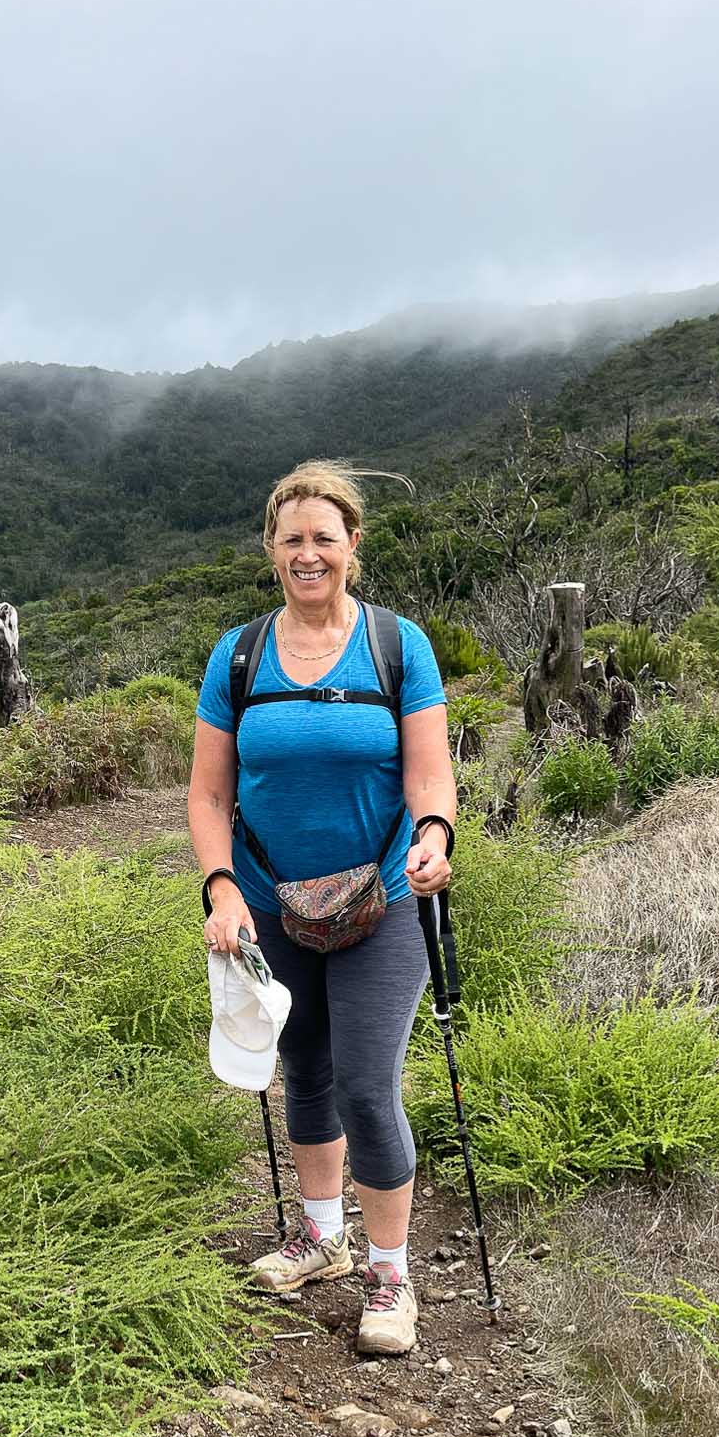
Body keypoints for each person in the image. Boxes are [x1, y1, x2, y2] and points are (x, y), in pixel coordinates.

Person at [188, 461, 455, 1356]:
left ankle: (390, 1272)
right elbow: (205, 794)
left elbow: (427, 768)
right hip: (268, 902)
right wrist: (222, 886)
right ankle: (320, 1237)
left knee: (366, 1087)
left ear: (352, 547)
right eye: (292, 539)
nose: (309, 554)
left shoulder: (396, 644)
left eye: (324, 539)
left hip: (383, 894)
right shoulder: (239, 655)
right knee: (300, 1067)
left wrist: (433, 833)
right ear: (272, 550)